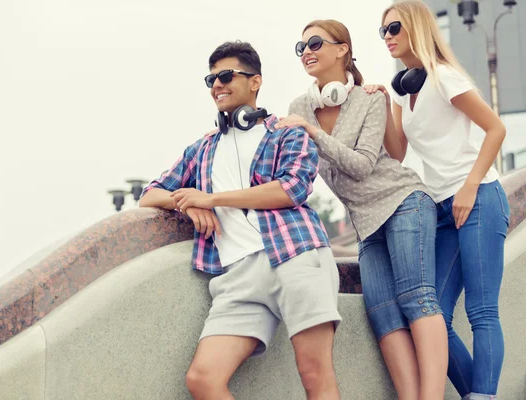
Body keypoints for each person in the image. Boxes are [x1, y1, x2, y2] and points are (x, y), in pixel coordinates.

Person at [139, 40, 342, 399]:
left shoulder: (287, 132)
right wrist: (185, 201)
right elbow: (149, 194)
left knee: (315, 375)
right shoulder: (201, 149)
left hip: (295, 255)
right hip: (235, 275)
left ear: (255, 81)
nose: (217, 84)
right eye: (212, 79)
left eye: (227, 75)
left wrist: (212, 199)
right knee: (203, 379)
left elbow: (291, 189)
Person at [275, 19, 448, 399]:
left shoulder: (368, 98)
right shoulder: (299, 108)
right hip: (365, 223)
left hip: (404, 202)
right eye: (301, 47)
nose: (306, 52)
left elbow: (362, 165)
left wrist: (315, 134)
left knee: (417, 298)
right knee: (383, 314)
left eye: (316, 43)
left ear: (343, 50)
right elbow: (290, 168)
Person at [364, 2, 509, 399]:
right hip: (442, 208)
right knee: (434, 317)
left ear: (416, 26)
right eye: (383, 31)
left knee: (481, 312)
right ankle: (470, 393)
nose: (388, 36)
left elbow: (495, 129)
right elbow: (395, 152)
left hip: (478, 197)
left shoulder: (444, 77)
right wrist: (383, 101)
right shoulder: (405, 90)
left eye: (394, 27)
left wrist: (469, 186)